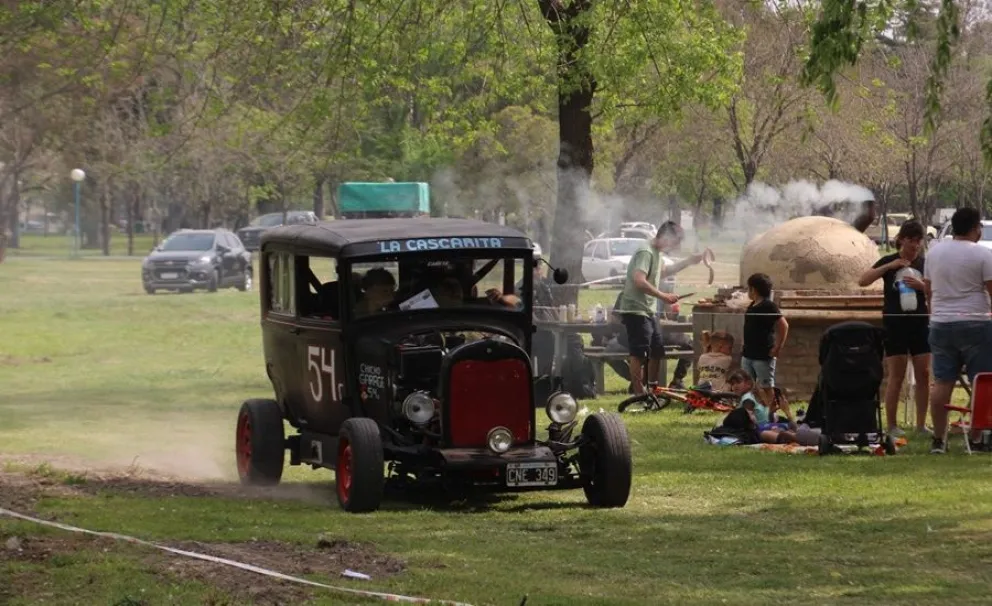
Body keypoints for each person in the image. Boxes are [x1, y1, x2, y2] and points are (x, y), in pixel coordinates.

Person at [923, 207, 992, 454]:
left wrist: (934, 314)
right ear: (975, 228)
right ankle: (975, 437)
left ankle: (939, 440)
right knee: (981, 382)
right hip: (976, 322)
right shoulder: (982, 255)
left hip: (941, 323)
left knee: (942, 382)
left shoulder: (934, 252)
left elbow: (927, 289)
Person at [616, 221, 709, 395]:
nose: (674, 246)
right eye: (674, 242)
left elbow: (663, 272)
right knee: (639, 353)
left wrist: (688, 261)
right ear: (666, 237)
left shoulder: (657, 253)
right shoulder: (645, 251)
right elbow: (639, 280)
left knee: (657, 351)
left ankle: (653, 388)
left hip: (649, 310)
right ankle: (638, 393)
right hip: (636, 309)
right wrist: (663, 296)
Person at [858, 219, 931, 438]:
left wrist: (922, 287)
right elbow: (863, 280)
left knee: (924, 374)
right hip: (895, 324)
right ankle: (891, 424)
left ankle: (920, 425)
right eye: (911, 241)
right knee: (896, 375)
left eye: (918, 241)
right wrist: (890, 266)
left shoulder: (925, 264)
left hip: (920, 323)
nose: (915, 246)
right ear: (901, 240)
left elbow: (936, 289)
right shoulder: (890, 261)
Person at [741, 273, 789, 412]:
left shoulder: (769, 306)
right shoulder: (752, 305)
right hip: (748, 353)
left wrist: (778, 347)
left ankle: (770, 413)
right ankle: (749, 411)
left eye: (748, 288)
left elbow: (783, 325)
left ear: (753, 289)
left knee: (766, 386)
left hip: (762, 355)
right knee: (746, 384)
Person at [726, 369, 798, 444]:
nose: (734, 386)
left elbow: (747, 421)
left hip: (763, 428)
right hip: (770, 425)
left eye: (738, 383)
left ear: (748, 384)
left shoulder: (747, 399)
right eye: (732, 384)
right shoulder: (753, 395)